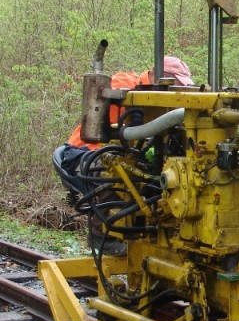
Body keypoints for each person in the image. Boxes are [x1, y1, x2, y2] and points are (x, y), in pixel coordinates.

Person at [53, 55, 194, 208]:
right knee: (117, 183)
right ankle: (105, 230)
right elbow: (122, 131)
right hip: (85, 152)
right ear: (162, 77)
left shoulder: (164, 100)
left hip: (123, 153)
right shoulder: (125, 85)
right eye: (175, 83)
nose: (175, 89)